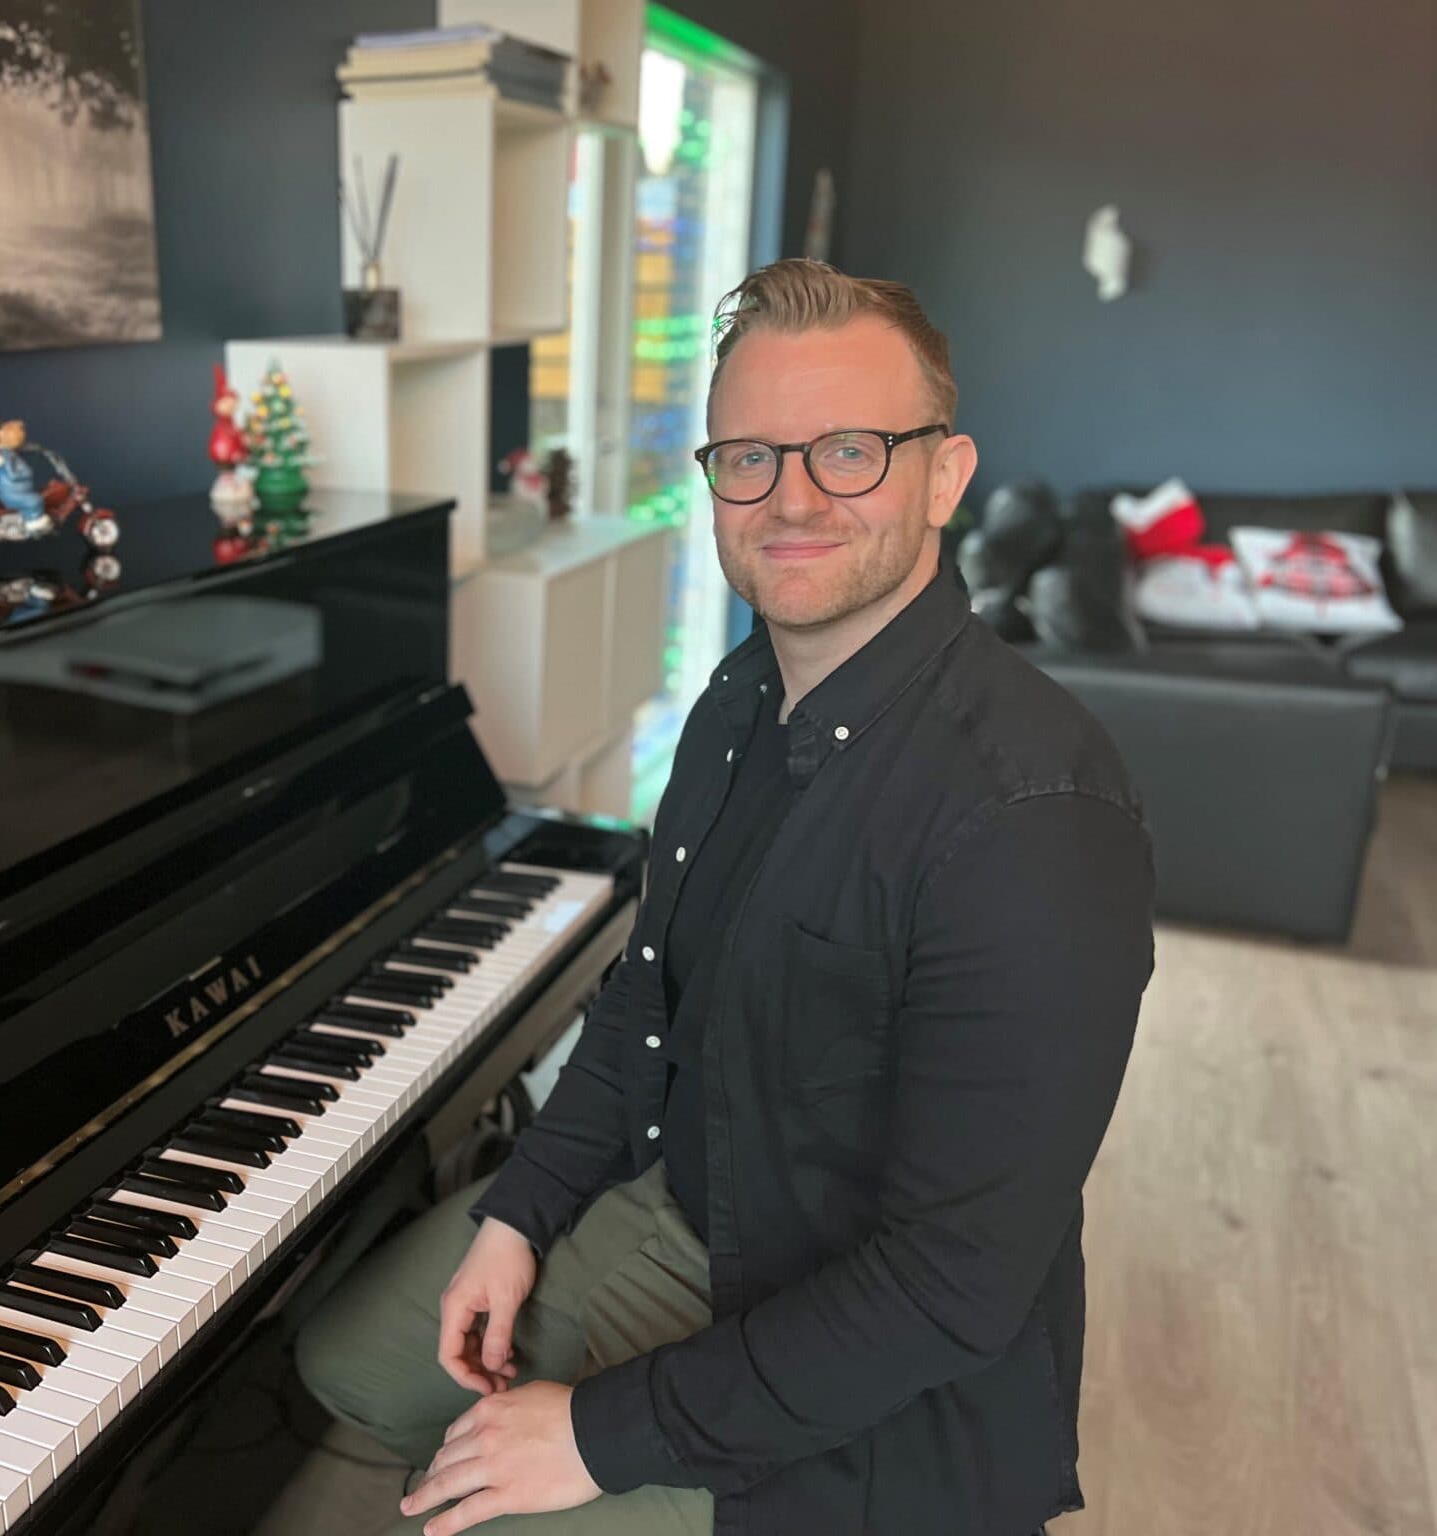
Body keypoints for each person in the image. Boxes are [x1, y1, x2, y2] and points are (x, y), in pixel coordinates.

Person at [294, 258, 1155, 1536]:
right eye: (748, 457)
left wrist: (596, 1433)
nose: (790, 498)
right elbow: (643, 997)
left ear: (943, 476)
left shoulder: (1034, 814)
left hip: (869, 1371)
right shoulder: (738, 697)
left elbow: (947, 1287)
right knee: (347, 1364)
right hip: (682, 1206)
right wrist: (520, 1213)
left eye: (848, 451)